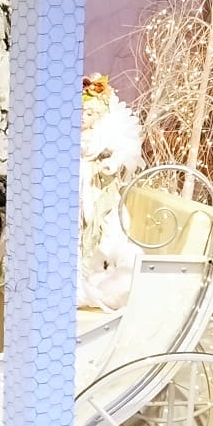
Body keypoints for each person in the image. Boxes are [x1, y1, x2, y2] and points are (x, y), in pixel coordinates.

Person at [78, 74, 144, 311]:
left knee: (99, 226)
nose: (83, 117)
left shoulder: (101, 136)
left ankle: (94, 270)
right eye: (81, 112)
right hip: (75, 184)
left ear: (97, 116)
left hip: (93, 185)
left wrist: (112, 164)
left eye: (89, 114)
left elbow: (123, 151)